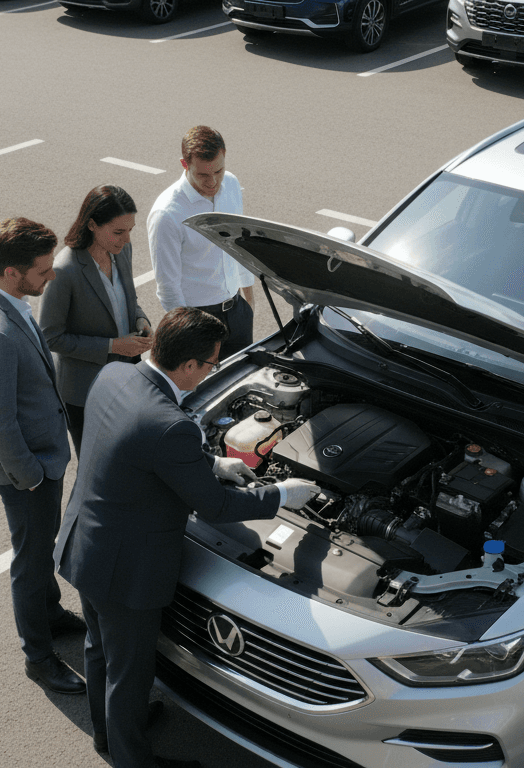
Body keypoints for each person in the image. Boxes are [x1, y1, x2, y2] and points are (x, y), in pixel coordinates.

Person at [54, 307, 319, 766]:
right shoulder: (170, 424)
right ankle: (131, 759)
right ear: (190, 365)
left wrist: (212, 465)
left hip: (85, 544)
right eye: (213, 364)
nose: (213, 371)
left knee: (99, 650)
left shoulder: (116, 375)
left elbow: (135, 446)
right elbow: (216, 507)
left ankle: (109, 734)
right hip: (126, 573)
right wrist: (281, 495)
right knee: (129, 673)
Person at [0, 217, 87, 696]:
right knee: (32, 561)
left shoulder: (3, 296)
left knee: (41, 547)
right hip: (27, 470)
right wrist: (31, 476)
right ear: (13, 272)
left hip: (38, 458)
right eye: (42, 271)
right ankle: (38, 656)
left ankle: (50, 614)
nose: (50, 277)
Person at [38, 185, 153, 457]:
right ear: (91, 224)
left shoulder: (122, 250)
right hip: (85, 392)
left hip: (127, 377)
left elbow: (128, 299)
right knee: (97, 464)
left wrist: (141, 321)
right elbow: (50, 336)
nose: (126, 239)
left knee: (131, 456)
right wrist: (113, 346)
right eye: (118, 232)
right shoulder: (65, 270)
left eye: (130, 230)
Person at [147, 125, 256, 359]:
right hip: (199, 321)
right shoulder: (167, 214)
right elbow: (168, 288)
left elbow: (238, 246)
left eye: (219, 171)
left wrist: (249, 305)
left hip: (237, 311)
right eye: (203, 175)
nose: (213, 182)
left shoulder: (232, 185)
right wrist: (189, 334)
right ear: (184, 164)